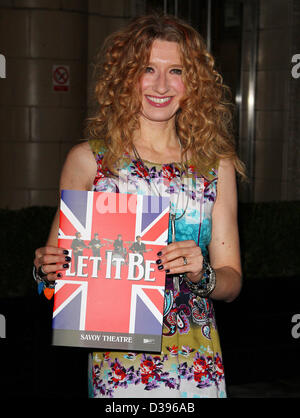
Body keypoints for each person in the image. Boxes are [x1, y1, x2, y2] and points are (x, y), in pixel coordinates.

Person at [33, 14, 245, 398]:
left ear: (192, 83)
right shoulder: (89, 162)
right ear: (127, 76)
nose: (161, 85)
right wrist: (46, 270)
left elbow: (232, 282)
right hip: (120, 368)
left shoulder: (215, 165)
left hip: (196, 366)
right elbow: (56, 278)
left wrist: (204, 275)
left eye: (176, 70)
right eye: (148, 68)